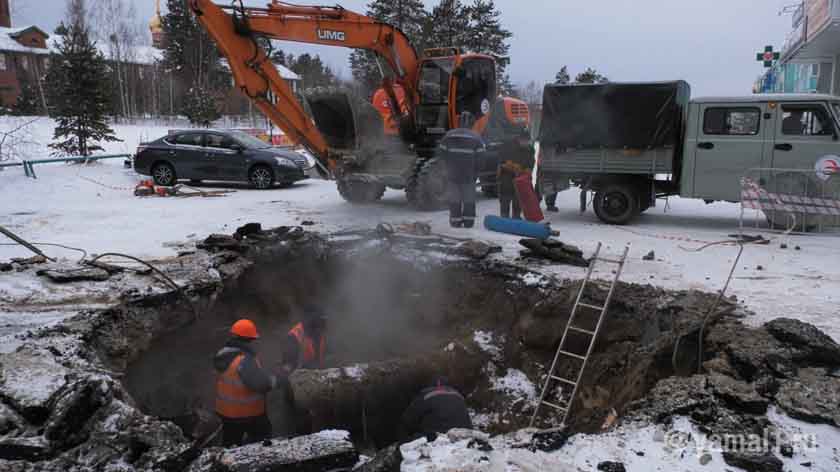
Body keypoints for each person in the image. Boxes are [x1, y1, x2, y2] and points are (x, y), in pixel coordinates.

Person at [214, 319, 282, 447]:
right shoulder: (244, 360)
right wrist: (277, 380)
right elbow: (259, 384)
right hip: (249, 414)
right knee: (263, 442)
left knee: (230, 447)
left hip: (226, 414)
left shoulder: (223, 355)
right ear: (249, 339)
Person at [440, 112, 486, 228]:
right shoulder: (476, 138)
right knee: (469, 200)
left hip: (452, 176)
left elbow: (441, 156)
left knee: (455, 199)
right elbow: (481, 160)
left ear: (459, 122)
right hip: (468, 176)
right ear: (471, 124)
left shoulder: (448, 136)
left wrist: (446, 170)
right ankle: (468, 222)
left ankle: (455, 222)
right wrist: (476, 174)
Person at [400, 378, 473, 442]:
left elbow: (408, 419)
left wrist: (403, 437)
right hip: (465, 435)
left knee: (404, 445)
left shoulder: (425, 395)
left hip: (436, 436)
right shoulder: (458, 395)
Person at [497, 129, 535, 219]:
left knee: (518, 196)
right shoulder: (509, 146)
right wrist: (511, 165)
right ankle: (504, 215)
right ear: (519, 139)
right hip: (506, 174)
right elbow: (502, 160)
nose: (525, 143)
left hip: (520, 176)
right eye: (524, 141)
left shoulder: (530, 149)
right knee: (506, 195)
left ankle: (516, 215)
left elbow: (531, 162)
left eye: (527, 141)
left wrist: (528, 170)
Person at [283, 305, 328, 371]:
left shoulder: (318, 333)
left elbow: (323, 358)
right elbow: (288, 366)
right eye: (320, 321)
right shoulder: (294, 336)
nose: (322, 325)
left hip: (317, 375)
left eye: (323, 321)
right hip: (300, 376)